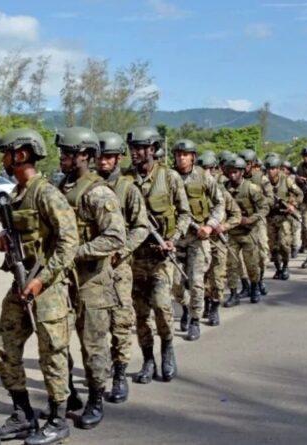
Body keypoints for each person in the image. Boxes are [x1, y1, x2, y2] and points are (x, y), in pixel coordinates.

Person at [0, 128, 78, 445]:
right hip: (20, 282)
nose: (2, 159)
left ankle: (58, 419)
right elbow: (25, 235)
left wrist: (43, 278)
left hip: (47, 286)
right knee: (3, 346)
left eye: (5, 154)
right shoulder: (17, 193)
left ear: (21, 155)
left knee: (52, 355)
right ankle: (23, 415)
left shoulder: (46, 193)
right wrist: (5, 239)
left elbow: (69, 242)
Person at [56, 127, 126, 429]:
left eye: (67, 153)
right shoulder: (61, 188)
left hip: (92, 283)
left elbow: (115, 238)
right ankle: (68, 393)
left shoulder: (98, 192)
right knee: (57, 342)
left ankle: (96, 399)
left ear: (84, 155)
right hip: (63, 281)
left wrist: (78, 252)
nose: (62, 158)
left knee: (93, 345)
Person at [123, 126, 192, 384]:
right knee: (140, 314)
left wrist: (173, 240)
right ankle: (148, 360)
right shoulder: (126, 180)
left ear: (152, 149)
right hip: (135, 257)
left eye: (140, 148)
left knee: (162, 307)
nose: (135, 153)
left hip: (161, 256)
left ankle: (168, 349)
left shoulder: (170, 177)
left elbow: (185, 214)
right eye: (132, 149)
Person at [96, 131, 150, 402]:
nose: (103, 162)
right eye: (99, 156)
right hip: (92, 266)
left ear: (118, 158)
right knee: (94, 323)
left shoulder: (128, 189)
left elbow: (142, 226)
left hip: (118, 266)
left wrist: (124, 248)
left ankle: (119, 373)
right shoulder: (87, 185)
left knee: (120, 320)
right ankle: (100, 366)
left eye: (109, 157)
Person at [171, 140, 225, 341]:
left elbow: (220, 203)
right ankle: (185, 307)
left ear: (193, 156)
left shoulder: (204, 176)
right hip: (176, 237)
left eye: (186, 154)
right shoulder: (169, 177)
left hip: (197, 237)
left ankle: (194, 319)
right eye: (178, 154)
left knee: (196, 281)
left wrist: (210, 225)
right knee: (175, 284)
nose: (181, 157)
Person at [199, 152, 241, 326]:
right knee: (199, 278)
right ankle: (203, 304)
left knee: (216, 277)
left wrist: (223, 227)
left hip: (217, 241)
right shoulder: (191, 190)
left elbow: (236, 215)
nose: (207, 173)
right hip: (199, 241)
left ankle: (214, 306)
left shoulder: (222, 192)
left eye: (210, 169)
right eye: (204, 169)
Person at [223, 157, 269, 306]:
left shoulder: (251, 188)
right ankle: (234, 293)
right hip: (231, 233)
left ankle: (254, 288)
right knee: (231, 265)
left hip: (249, 233)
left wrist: (250, 219)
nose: (232, 175)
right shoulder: (223, 188)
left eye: (235, 172)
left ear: (242, 172)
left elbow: (264, 207)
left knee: (252, 264)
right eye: (230, 172)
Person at [265, 156, 303, 280]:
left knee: (284, 243)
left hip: (284, 216)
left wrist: (293, 205)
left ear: (279, 169)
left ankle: (286, 266)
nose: (271, 171)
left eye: (274, 168)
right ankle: (278, 268)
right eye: (269, 169)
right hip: (270, 217)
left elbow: (299, 194)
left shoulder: (286, 180)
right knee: (273, 246)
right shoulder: (263, 182)